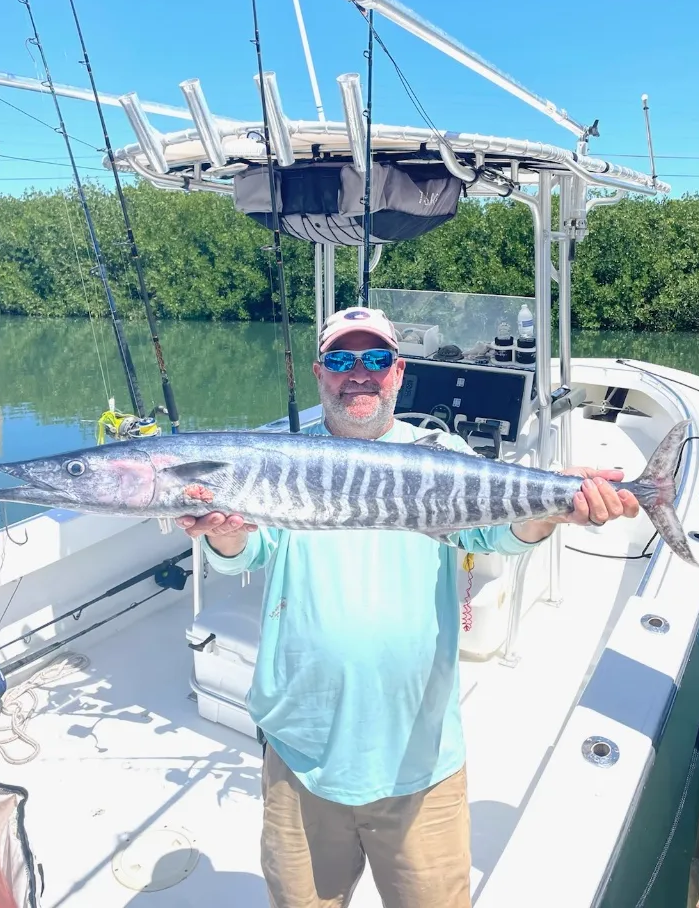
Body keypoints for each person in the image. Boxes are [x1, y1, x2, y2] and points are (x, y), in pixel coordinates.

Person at [176, 306, 639, 908]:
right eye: (342, 360)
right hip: (301, 754)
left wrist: (552, 507)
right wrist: (223, 532)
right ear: (321, 373)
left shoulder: (438, 451)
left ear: (397, 372)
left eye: (374, 360)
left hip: (421, 763)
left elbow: (493, 535)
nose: (358, 374)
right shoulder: (280, 461)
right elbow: (245, 553)